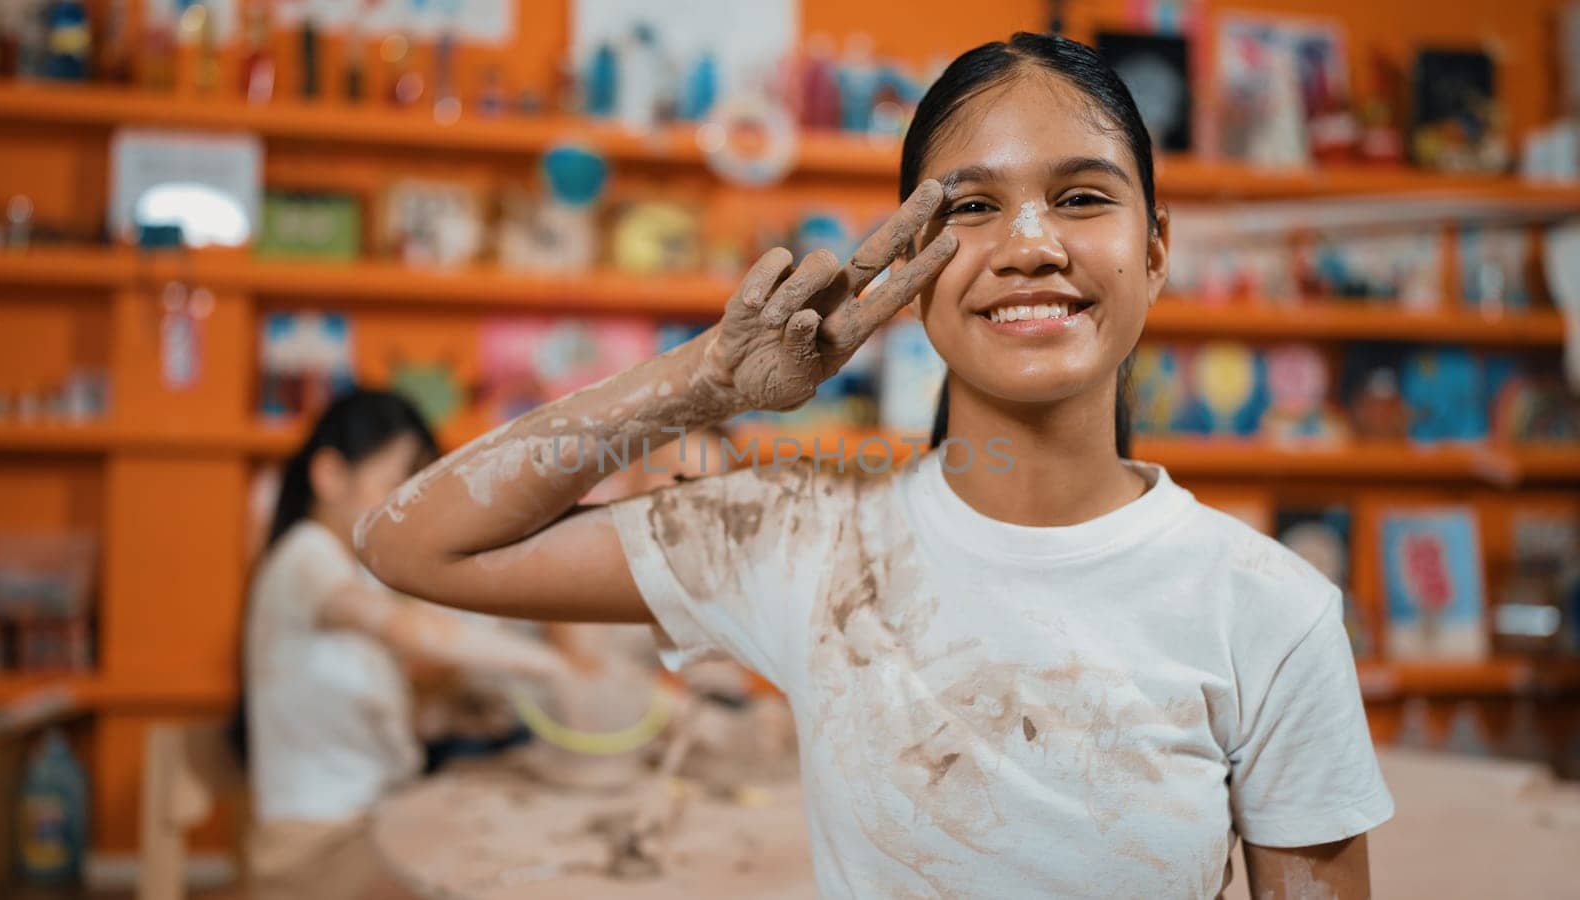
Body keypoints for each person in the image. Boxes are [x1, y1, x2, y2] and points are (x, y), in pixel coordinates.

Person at [356, 34, 1393, 899]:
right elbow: (411, 541)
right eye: (973, 207)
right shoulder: (801, 534)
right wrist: (705, 381)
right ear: (905, 269)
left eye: (1081, 198)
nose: (1030, 244)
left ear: (1155, 248)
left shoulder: (1270, 610)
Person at [241, 388, 569, 900]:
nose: (407, 513)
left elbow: (347, 716)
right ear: (329, 476)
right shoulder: (304, 557)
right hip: (313, 849)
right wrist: (554, 665)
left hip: (373, 821)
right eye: (397, 487)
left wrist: (440, 716)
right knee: (510, 869)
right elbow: (408, 629)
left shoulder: (354, 574)